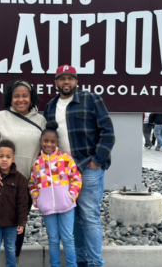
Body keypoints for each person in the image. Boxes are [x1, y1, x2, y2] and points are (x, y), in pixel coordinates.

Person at [44, 65, 115, 267]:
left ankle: (94, 262)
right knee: (72, 216)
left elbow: (108, 132)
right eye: (62, 78)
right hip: (63, 173)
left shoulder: (91, 99)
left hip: (88, 167)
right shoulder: (50, 106)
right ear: (56, 82)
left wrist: (96, 161)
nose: (66, 82)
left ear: (76, 82)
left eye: (70, 78)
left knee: (89, 216)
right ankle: (82, 259)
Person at [0, 79, 46, 263]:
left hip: (24, 186)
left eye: (25, 96)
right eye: (16, 96)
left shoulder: (41, 121)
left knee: (18, 224)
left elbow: (47, 150)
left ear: (31, 98)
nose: (20, 100)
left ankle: (13, 259)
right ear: (10, 98)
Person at [29, 121, 82, 267]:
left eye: (52, 141)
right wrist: (37, 200)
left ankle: (72, 265)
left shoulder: (65, 158)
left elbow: (76, 178)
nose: (49, 144)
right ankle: (55, 265)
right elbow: (32, 183)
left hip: (66, 205)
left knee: (68, 238)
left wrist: (71, 196)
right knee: (52, 239)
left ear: (57, 142)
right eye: (46, 141)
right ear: (40, 142)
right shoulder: (37, 163)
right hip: (47, 208)